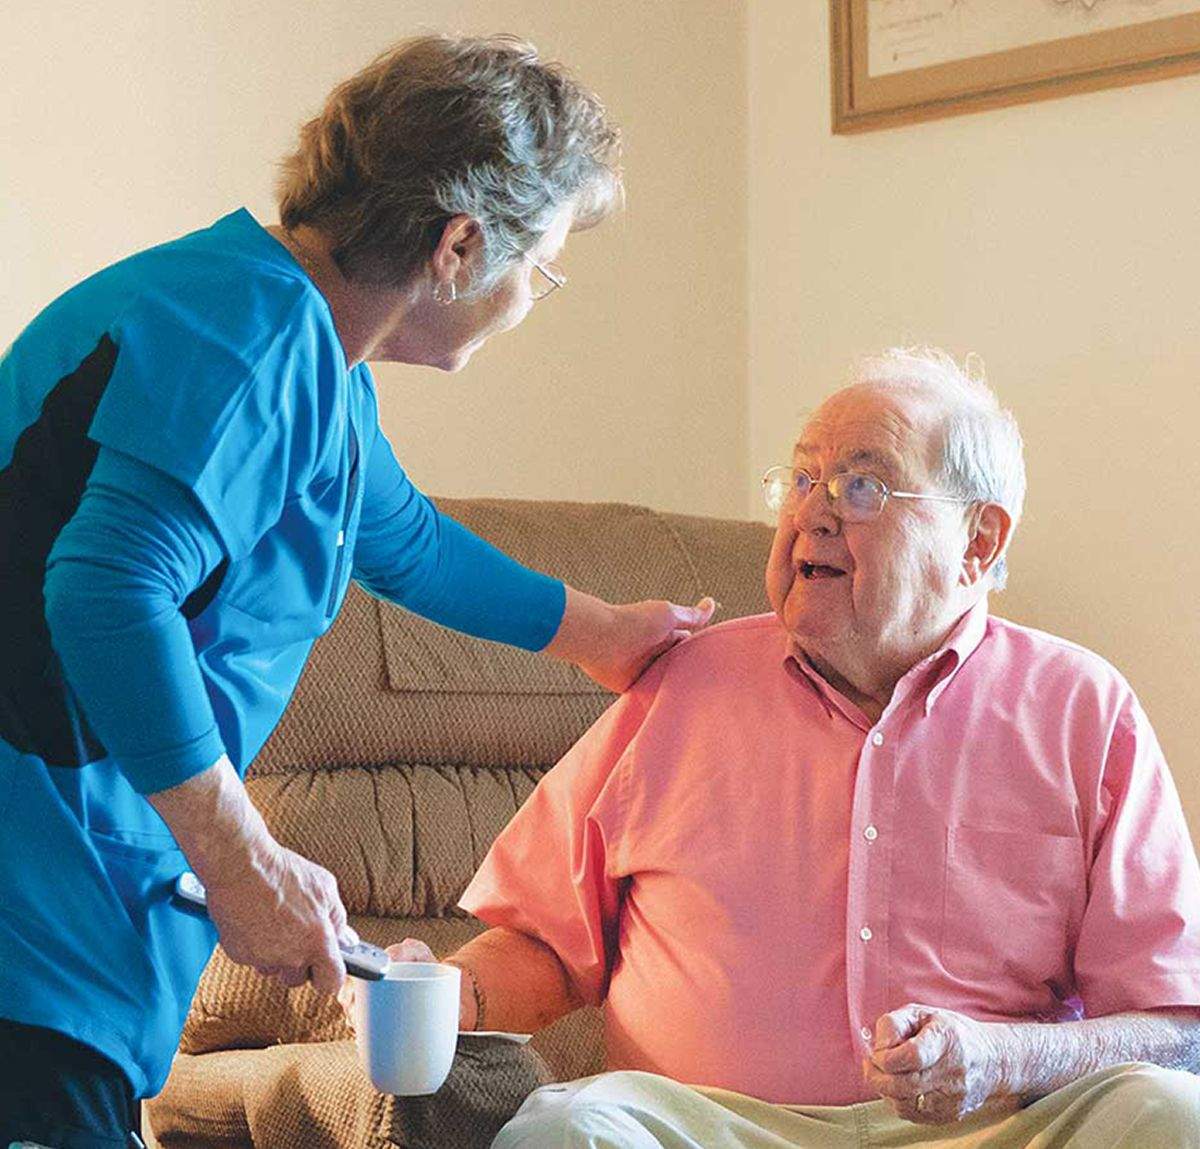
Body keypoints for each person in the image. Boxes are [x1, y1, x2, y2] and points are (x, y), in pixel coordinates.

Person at [0, 34, 716, 1148]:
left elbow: (407, 544)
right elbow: (108, 591)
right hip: (37, 896)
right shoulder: (254, 339)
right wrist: (243, 860)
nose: (531, 299)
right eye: (541, 267)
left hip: (73, 902)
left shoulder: (299, 348)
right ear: (461, 245)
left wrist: (604, 634)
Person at [358, 348, 1200, 1147]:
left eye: (862, 486)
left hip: (990, 1123)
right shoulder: (687, 683)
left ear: (978, 541)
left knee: (1169, 1111)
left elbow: (1174, 1026)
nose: (812, 513)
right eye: (801, 480)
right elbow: (547, 941)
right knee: (569, 1131)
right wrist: (447, 993)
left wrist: (1004, 1058)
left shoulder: (1083, 709)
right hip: (704, 1124)